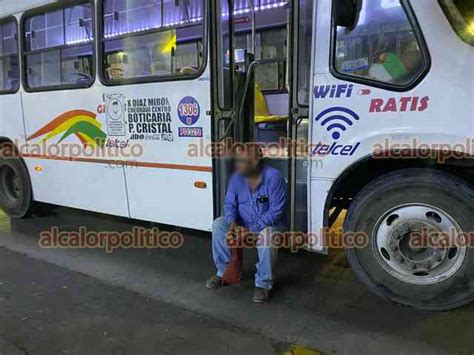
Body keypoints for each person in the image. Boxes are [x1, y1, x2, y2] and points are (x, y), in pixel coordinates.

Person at [206, 144, 287, 303]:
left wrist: (253, 229)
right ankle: (224, 272)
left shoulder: (273, 177)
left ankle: (263, 284)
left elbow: (276, 211)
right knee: (218, 224)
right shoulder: (237, 177)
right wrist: (232, 223)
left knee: (268, 236)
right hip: (243, 223)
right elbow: (229, 204)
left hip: (268, 225)